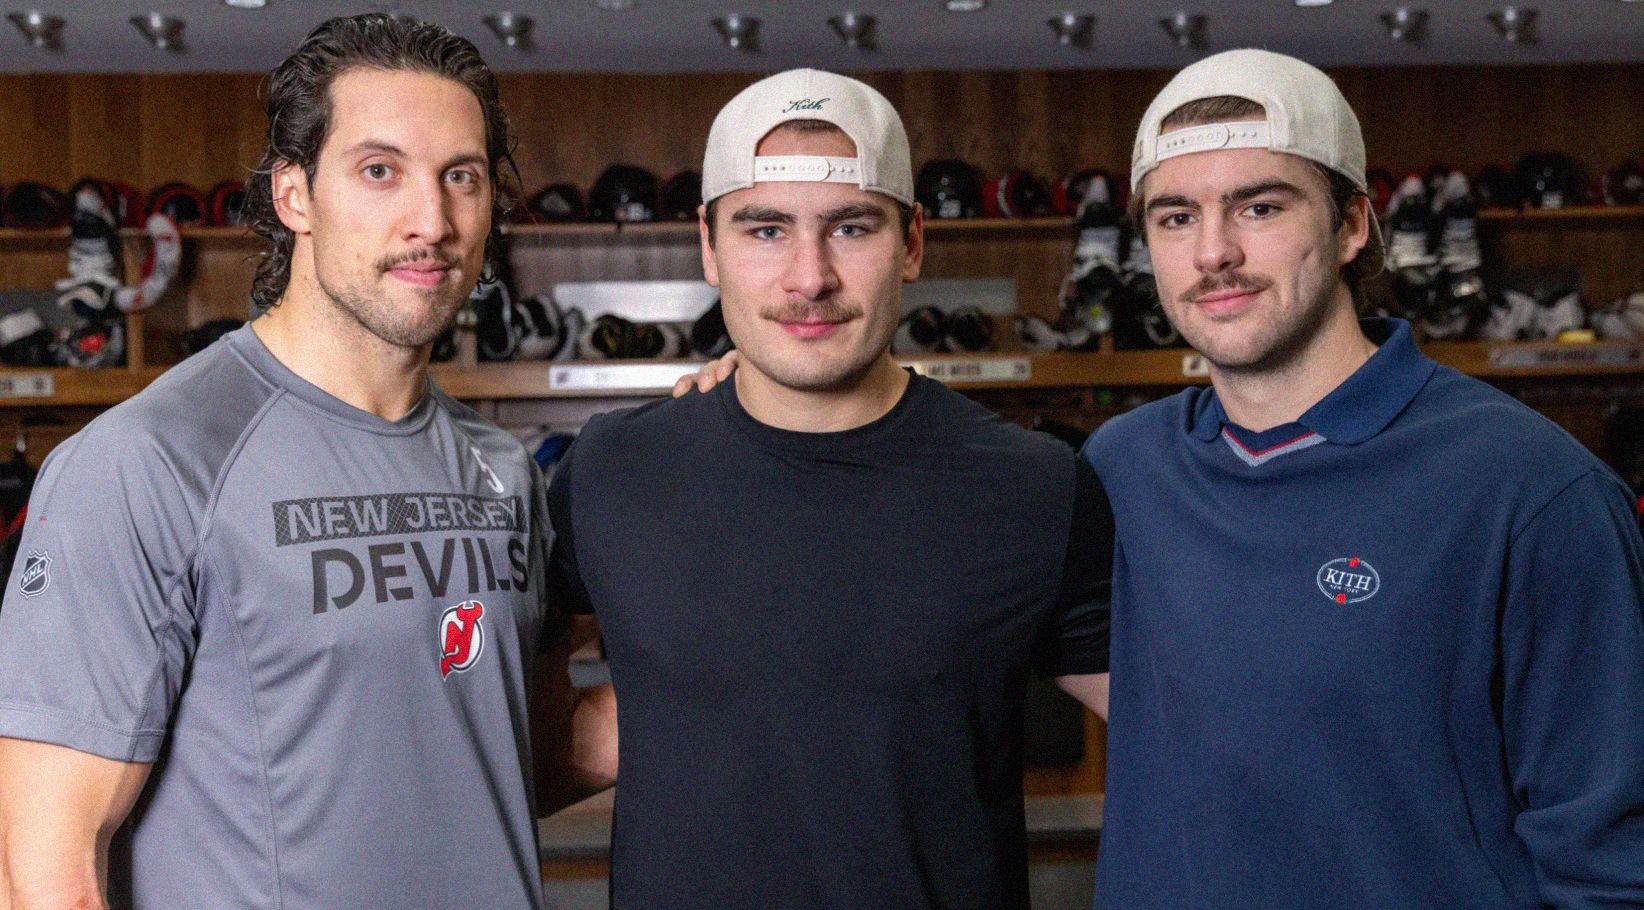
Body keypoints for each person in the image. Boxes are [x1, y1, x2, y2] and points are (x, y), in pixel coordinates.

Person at [0, 15, 610, 910]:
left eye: (462, 178)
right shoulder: (146, 464)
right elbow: (43, 867)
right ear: (294, 194)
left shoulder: (502, 473)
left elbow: (511, 763)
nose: (431, 221)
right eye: (379, 171)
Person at [1083, 49, 1644, 908]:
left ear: (1351, 226)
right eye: (1174, 217)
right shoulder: (1120, 470)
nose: (1214, 253)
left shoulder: (1532, 490)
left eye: (1259, 207)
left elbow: (1611, 866)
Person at [549, 68, 1112, 910]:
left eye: (850, 227)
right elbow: (506, 730)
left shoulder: (1033, 486)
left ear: (914, 242)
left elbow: (1202, 740)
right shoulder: (612, 470)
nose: (809, 278)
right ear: (708, 246)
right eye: (764, 228)